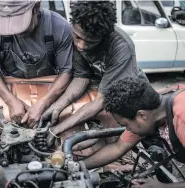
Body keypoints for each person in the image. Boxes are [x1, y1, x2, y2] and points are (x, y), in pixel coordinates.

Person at [41, 1, 148, 145]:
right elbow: (81, 76)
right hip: (101, 88)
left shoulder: (121, 47)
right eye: (78, 37)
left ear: (104, 36)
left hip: (134, 98)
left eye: (90, 42)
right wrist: (57, 106)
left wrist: (57, 129)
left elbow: (101, 101)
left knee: (142, 136)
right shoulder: (76, 33)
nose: (81, 46)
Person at [83, 77, 185, 188]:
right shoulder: (152, 108)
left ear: (141, 116)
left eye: (126, 125)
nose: (127, 130)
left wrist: (164, 187)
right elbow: (117, 147)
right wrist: (77, 166)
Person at [0, 0, 73, 127]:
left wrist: (44, 103)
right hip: (8, 89)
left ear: (36, 7)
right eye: (7, 23)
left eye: (18, 22)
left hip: (49, 89)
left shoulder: (59, 26)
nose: (13, 29)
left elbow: (66, 71)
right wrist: (10, 100)